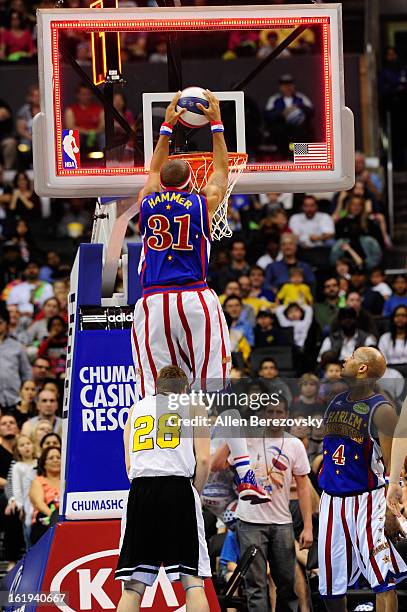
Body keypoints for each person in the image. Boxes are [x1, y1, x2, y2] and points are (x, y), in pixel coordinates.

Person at [131, 91, 269, 501]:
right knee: (214, 387)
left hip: (153, 302)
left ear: (161, 184)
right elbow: (223, 170)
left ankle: (158, 468)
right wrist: (218, 124)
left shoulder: (147, 199)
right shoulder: (202, 202)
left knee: (154, 391)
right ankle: (244, 473)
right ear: (192, 179)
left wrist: (167, 126)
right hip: (193, 298)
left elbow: (154, 170)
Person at [115, 366, 212, 612]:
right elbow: (203, 460)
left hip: (140, 490)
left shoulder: (135, 409)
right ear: (185, 389)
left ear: (156, 388)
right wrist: (195, 493)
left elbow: (128, 464)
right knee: (193, 582)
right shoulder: (194, 407)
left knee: (133, 586)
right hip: (178, 488)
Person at [318, 347, 407, 609]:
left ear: (362, 368)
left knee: (383, 579)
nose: (345, 359)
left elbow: (393, 468)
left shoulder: (382, 410)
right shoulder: (336, 400)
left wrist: (392, 511)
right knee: (329, 587)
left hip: (367, 501)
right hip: (331, 501)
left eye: (353, 356)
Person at [214, 397, 313, 612]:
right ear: (263, 415)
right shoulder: (247, 441)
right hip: (250, 521)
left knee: (287, 585)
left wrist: (307, 526)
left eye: (279, 412)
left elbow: (304, 487)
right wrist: (233, 438)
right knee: (255, 586)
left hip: (282, 522)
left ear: (286, 415)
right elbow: (216, 465)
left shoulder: (294, 444)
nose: (275, 416)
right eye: (270, 412)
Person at [264, 74, 314, 157]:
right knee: (277, 132)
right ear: (280, 87)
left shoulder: (301, 98)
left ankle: (300, 157)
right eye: (284, 85)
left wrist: (298, 108)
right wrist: (282, 113)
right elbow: (268, 115)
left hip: (298, 130)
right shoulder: (274, 99)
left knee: (303, 133)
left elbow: (311, 111)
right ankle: (283, 156)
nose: (288, 87)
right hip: (282, 130)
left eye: (290, 85)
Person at [0, 304, 32, 410]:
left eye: (0, 322)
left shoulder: (17, 346)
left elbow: (26, 374)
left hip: (14, 399)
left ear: (7, 324)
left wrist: (25, 396)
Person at [29, 446, 61, 545]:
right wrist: (55, 518)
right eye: (51, 458)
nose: (56, 460)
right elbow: (38, 503)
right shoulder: (38, 481)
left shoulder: (68, 482)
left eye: (58, 457)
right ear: (44, 464)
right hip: (45, 520)